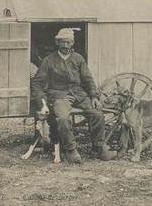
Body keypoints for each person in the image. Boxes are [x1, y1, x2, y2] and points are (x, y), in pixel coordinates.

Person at [31, 28, 117, 163]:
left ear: (72, 43)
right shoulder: (49, 61)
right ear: (57, 43)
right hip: (60, 96)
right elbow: (37, 83)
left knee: (97, 114)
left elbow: (88, 79)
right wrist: (42, 101)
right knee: (63, 119)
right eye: (63, 42)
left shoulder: (78, 59)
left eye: (69, 42)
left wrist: (94, 96)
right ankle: (70, 150)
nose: (66, 46)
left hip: (79, 94)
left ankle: (99, 148)